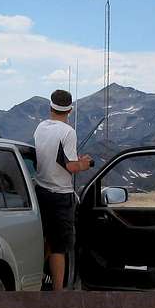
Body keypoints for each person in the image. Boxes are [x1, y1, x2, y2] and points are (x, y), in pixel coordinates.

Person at [33, 89, 93, 291]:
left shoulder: (40, 128)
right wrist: (85, 163)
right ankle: (59, 293)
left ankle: (34, 280)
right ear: (69, 110)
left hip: (40, 191)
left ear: (50, 107)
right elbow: (71, 166)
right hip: (60, 196)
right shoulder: (68, 132)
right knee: (59, 246)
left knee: (46, 239)